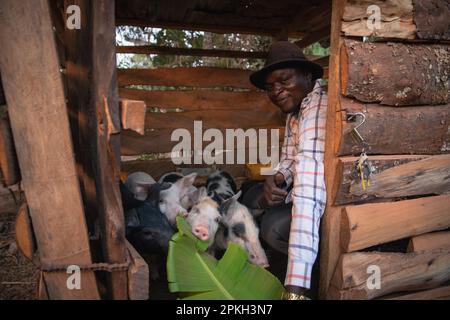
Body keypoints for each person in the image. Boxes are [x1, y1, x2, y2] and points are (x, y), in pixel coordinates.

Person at [246, 41, 327, 300]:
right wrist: (278, 177)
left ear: (307, 75)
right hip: (309, 196)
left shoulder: (318, 108)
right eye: (271, 87)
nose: (277, 91)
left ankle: (312, 286)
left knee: (273, 227)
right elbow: (291, 159)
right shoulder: (295, 112)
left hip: (328, 204)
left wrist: (295, 289)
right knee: (251, 194)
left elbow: (309, 190)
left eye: (284, 80)